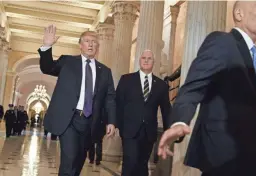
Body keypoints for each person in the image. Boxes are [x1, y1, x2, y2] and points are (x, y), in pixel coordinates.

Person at [158, 1, 256, 176]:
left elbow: (255, 116)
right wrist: (179, 121)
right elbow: (192, 87)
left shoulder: (253, 57)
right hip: (223, 161)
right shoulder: (222, 42)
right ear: (239, 14)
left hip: (250, 161)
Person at [38, 25, 116, 176]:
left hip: (91, 122)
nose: (91, 44)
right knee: (70, 158)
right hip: (69, 120)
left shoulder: (105, 71)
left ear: (98, 47)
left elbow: (110, 98)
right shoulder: (67, 62)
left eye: (94, 41)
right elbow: (47, 67)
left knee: (79, 161)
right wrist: (47, 46)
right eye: (87, 41)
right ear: (80, 45)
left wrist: (111, 121)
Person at [116, 50, 171, 176]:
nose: (146, 60)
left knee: (142, 165)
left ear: (154, 62)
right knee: (130, 163)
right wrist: (116, 124)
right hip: (129, 131)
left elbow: (166, 110)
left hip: (149, 132)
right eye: (144, 58)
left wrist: (169, 133)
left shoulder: (161, 85)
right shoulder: (126, 79)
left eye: (149, 58)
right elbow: (118, 103)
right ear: (139, 60)